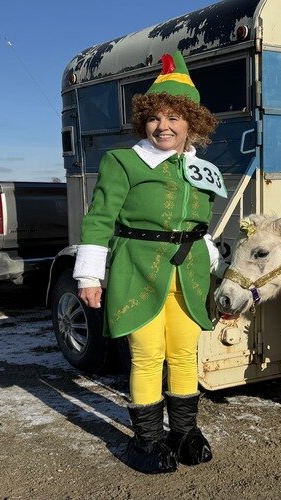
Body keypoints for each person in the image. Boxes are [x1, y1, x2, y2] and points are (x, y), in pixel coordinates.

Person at [72, 51, 227, 474]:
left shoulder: (204, 170)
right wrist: (89, 274)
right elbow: (100, 218)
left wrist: (214, 264)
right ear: (144, 121)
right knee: (146, 356)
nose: (164, 126)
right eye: (156, 117)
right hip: (137, 267)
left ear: (191, 124)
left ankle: (183, 434)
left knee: (182, 354)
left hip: (189, 271)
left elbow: (202, 227)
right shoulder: (122, 161)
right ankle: (148, 441)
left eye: (175, 118)